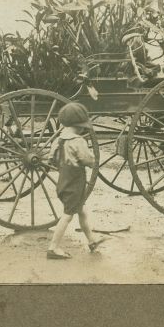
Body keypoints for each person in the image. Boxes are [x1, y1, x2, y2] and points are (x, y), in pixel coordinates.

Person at [46, 102, 107, 259]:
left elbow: (51, 159)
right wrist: (93, 159)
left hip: (63, 183)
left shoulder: (58, 141)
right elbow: (89, 160)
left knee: (81, 211)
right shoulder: (78, 141)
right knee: (67, 216)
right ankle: (53, 248)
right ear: (79, 126)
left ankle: (92, 240)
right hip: (75, 184)